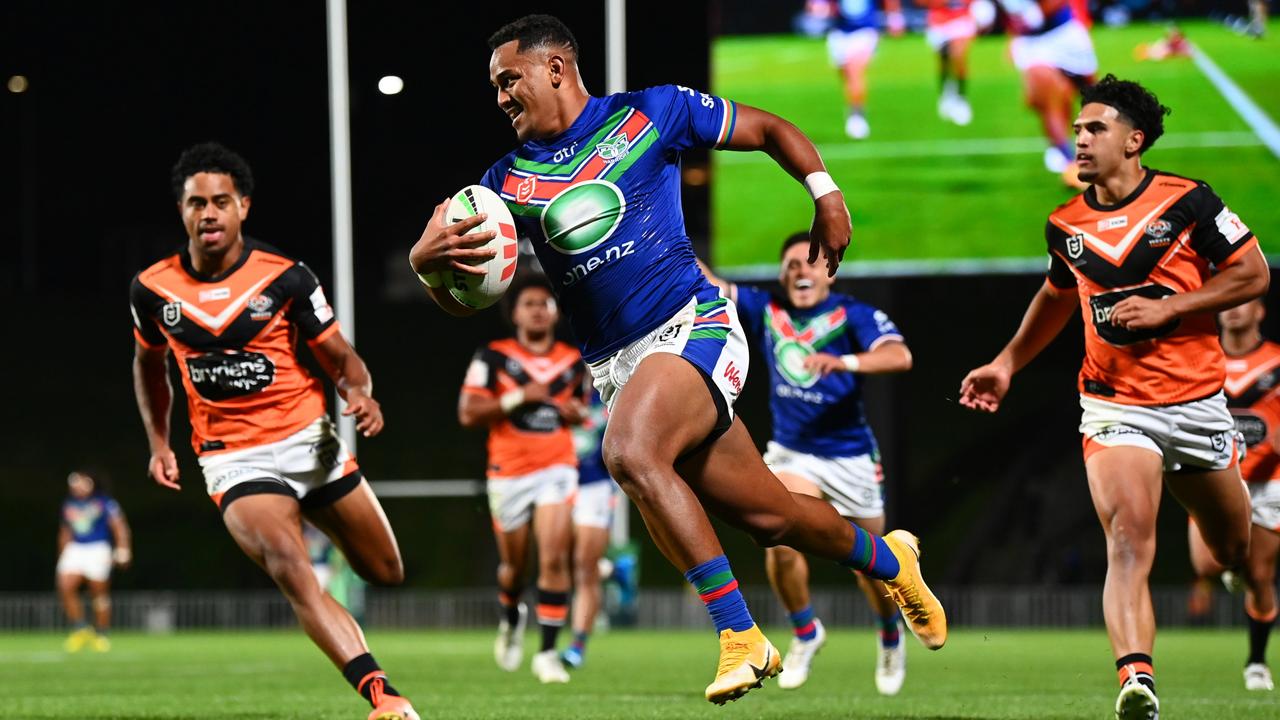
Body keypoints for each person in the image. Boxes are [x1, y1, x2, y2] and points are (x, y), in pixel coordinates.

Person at [408, 14, 946, 705]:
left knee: (628, 453)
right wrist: (431, 269)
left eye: (509, 80)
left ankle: (740, 637)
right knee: (772, 517)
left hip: (696, 325)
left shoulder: (651, 114)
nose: (501, 97)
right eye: (495, 87)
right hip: (619, 368)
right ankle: (893, 562)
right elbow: (469, 301)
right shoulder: (503, 182)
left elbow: (771, 129)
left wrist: (826, 193)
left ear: (555, 68)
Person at [959, 76, 1269, 720]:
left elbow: (1251, 273)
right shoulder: (1064, 223)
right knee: (1128, 540)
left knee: (1232, 549)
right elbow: (1055, 296)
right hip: (1113, 405)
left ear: (1134, 140)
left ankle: (1234, 564)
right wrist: (1007, 363)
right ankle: (1136, 680)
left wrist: (1174, 308)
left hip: (1197, 405)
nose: (1079, 139)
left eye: (1094, 129)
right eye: (1077, 129)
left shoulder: (1189, 202)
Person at [131, 142, 418, 720]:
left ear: (243, 207)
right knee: (291, 564)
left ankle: (314, 514)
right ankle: (381, 696)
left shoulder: (286, 278)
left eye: (219, 202)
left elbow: (341, 358)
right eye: (195, 204)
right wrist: (160, 443)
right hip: (233, 457)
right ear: (182, 211)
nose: (207, 214)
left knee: (386, 570)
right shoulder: (153, 289)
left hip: (310, 442)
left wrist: (358, 392)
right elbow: (148, 367)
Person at [702, 233, 913, 694]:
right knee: (776, 536)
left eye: (811, 264)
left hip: (851, 456)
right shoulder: (767, 309)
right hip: (793, 452)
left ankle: (890, 634)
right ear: (782, 274)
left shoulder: (852, 315)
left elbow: (900, 355)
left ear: (828, 273)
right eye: (792, 264)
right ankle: (805, 631)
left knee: (873, 565)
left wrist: (847, 363)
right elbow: (710, 282)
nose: (801, 271)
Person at [458, 276, 586, 684]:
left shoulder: (573, 360)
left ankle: (547, 653)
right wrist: (517, 397)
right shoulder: (492, 357)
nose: (537, 309)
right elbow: (468, 412)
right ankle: (511, 616)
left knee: (553, 558)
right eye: (528, 303)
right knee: (513, 568)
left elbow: (584, 410)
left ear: (555, 312)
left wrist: (577, 416)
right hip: (508, 471)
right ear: (514, 312)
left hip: (557, 466)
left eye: (544, 303)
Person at [1187, 298, 1279, 692]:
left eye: (1246, 303)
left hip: (1269, 481)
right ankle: (1232, 564)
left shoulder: (1276, 361)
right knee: (1206, 565)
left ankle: (1256, 662)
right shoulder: (1200, 359)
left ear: (1260, 311)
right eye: (1230, 304)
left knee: (1261, 577)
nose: (1236, 310)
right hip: (1215, 475)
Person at [997, 0, 1097, 187]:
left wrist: (1038, 13)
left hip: (1063, 34)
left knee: (1094, 98)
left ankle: (1110, 152)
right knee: (1047, 101)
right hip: (1031, 44)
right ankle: (1070, 164)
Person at [560, 385, 619, 670]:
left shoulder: (608, 394)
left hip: (594, 483)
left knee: (583, 566)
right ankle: (612, 569)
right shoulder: (556, 395)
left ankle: (577, 644)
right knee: (558, 558)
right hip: (557, 482)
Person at [804, 0, 905, 140]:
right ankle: (853, 108)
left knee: (855, 72)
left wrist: (894, 18)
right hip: (840, 33)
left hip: (865, 31)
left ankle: (857, 116)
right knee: (847, 77)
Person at [58, 470, 131, 653]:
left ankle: (102, 633)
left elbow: (119, 525)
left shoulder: (104, 502)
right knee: (65, 586)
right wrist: (62, 552)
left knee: (99, 593)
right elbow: (65, 531)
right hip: (76, 547)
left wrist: (123, 548)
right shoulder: (69, 504)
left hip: (98, 547)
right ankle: (81, 628)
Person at [923, 0, 984, 126]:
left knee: (958, 56)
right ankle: (945, 94)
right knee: (943, 62)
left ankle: (961, 98)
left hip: (961, 19)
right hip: (939, 22)